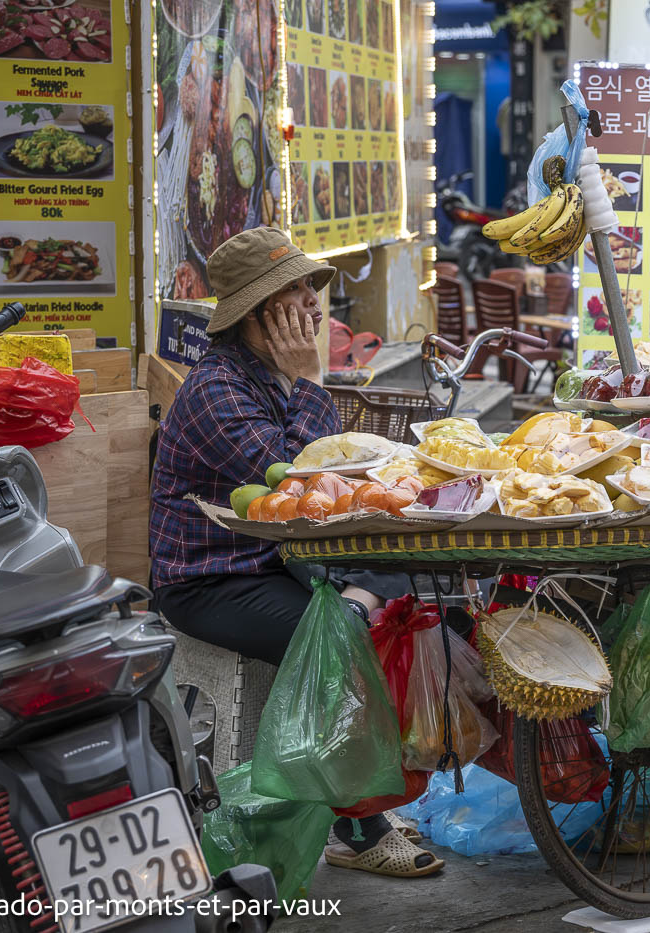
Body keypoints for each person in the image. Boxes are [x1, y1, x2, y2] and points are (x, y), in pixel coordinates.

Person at [150, 227, 443, 877]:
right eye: (295, 293)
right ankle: (356, 827)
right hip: (210, 582)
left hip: (278, 564)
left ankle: (368, 786)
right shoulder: (219, 391)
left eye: (310, 287)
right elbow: (307, 491)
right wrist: (311, 379)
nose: (314, 304)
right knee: (337, 638)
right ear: (258, 314)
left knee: (409, 581)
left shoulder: (266, 375)